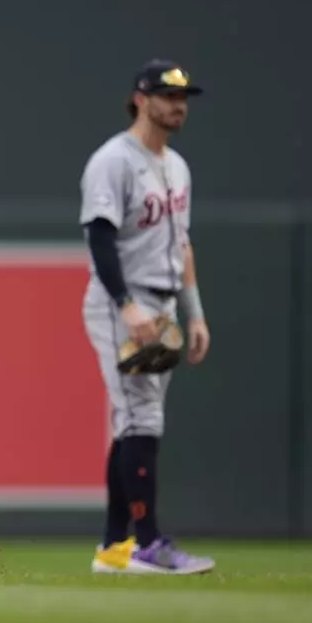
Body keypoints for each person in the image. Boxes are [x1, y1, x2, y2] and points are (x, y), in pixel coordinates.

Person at [79, 59, 214, 575]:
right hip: (124, 302)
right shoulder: (113, 160)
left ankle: (115, 548)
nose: (178, 105)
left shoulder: (177, 167)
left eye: (183, 97)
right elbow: (99, 236)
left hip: (163, 303)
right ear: (140, 99)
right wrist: (126, 305)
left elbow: (184, 245)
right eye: (167, 95)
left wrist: (194, 314)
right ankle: (149, 543)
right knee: (141, 418)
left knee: (129, 421)